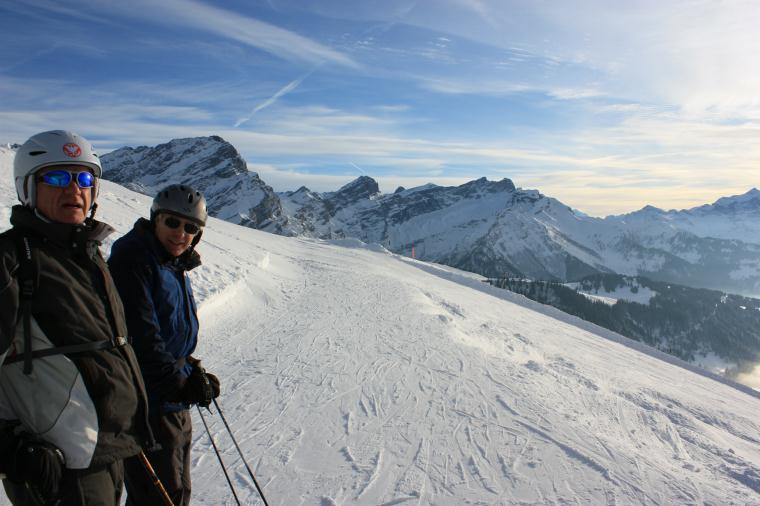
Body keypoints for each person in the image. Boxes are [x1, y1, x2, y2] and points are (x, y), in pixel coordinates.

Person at [0, 130, 154, 505]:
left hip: (105, 449)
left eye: (85, 178)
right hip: (57, 464)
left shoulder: (88, 256)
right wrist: (10, 447)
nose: (75, 189)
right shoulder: (11, 259)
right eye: (56, 177)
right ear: (27, 187)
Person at [108, 184, 220, 506]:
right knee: (160, 497)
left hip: (168, 397)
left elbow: (170, 334)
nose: (181, 234)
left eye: (191, 228)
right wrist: (180, 383)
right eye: (172, 222)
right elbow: (142, 337)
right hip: (149, 401)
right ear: (155, 219)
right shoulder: (134, 260)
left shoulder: (171, 264)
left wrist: (191, 369)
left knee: (172, 490)